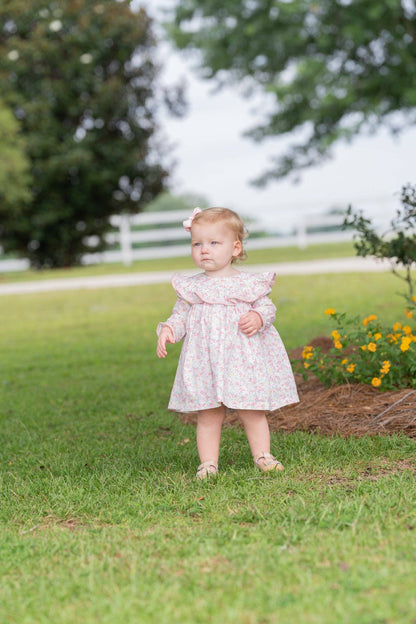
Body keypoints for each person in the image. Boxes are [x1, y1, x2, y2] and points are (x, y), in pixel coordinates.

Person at [156, 207, 299, 479]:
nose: (204, 250)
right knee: (208, 414)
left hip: (242, 359)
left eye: (213, 243)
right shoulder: (192, 288)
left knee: (251, 410)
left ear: (235, 248)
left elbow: (268, 308)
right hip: (205, 361)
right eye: (197, 244)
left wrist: (258, 316)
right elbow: (180, 316)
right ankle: (208, 463)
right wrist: (169, 330)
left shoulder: (248, 284)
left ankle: (263, 455)